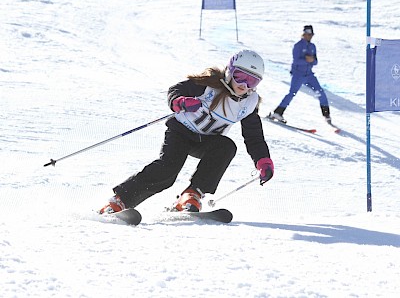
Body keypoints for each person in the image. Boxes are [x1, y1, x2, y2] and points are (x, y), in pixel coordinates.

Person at [99, 50, 274, 214]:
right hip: (181, 133)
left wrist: (263, 161)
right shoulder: (208, 85)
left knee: (226, 146)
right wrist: (180, 101)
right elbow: (176, 90)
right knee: (168, 170)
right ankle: (119, 201)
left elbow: (254, 137)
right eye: (239, 76)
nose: (244, 85)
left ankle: (192, 194)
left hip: (206, 141)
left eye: (251, 81)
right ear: (229, 71)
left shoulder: (249, 104)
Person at [268, 25, 332, 124]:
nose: (309, 36)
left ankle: (326, 115)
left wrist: (312, 60)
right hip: (298, 74)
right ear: (303, 34)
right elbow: (296, 61)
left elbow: (315, 62)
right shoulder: (298, 46)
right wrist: (307, 60)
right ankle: (278, 112)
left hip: (309, 75)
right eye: (307, 34)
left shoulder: (312, 46)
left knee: (320, 92)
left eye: (311, 35)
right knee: (292, 93)